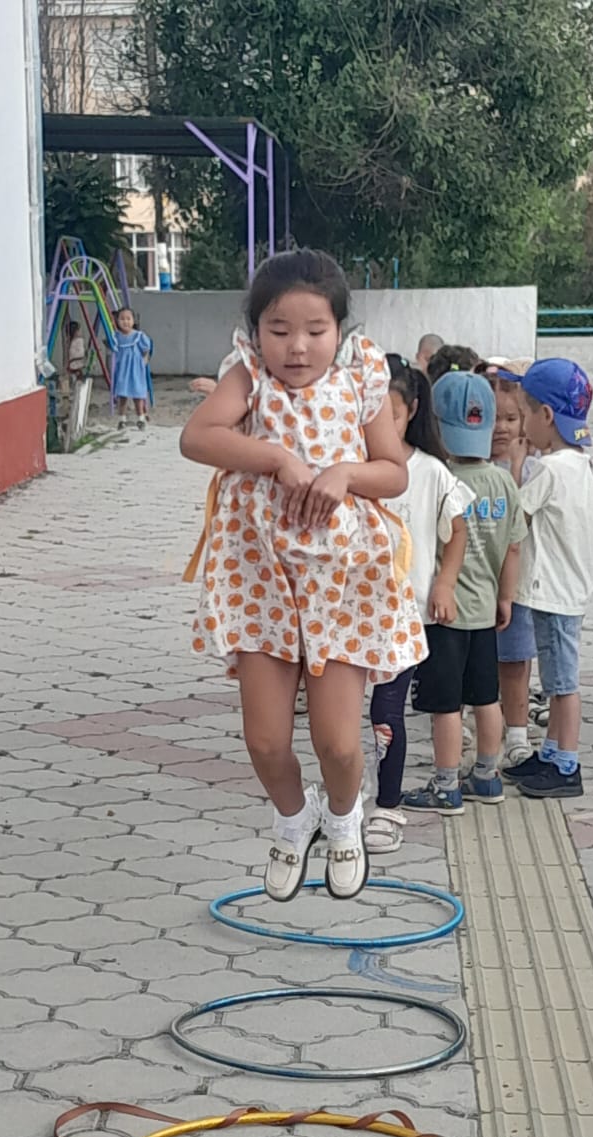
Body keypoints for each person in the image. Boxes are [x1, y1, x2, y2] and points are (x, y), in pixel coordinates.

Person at [180, 248, 419, 901]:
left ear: (339, 329)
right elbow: (197, 437)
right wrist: (275, 458)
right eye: (279, 329)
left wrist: (344, 474)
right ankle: (294, 818)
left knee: (337, 743)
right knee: (264, 740)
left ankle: (343, 818)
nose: (297, 346)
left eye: (316, 329)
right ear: (256, 329)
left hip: (342, 580)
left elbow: (393, 472)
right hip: (258, 577)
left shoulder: (361, 376)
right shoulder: (248, 374)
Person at [402, 370, 524, 815]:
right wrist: (506, 598)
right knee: (486, 698)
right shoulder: (504, 482)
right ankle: (487, 776)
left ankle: (446, 784)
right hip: (487, 611)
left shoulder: (440, 477)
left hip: (444, 613)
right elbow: (514, 548)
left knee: (446, 706)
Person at [366, 356, 470, 854]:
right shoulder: (347, 465)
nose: (377, 426)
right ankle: (341, 804)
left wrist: (445, 584)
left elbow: (458, 530)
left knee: (386, 709)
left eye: (389, 414)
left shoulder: (430, 472)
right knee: (337, 717)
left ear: (411, 410)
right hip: (345, 614)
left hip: (402, 615)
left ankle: (387, 806)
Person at [501, 360, 593, 799]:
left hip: (553, 592)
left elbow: (515, 518)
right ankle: (551, 751)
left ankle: (567, 764)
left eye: (524, 413)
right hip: (569, 589)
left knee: (562, 685)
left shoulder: (547, 470)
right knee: (557, 681)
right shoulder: (581, 465)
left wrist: (517, 464)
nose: (521, 425)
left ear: (545, 415)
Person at [489, 376, 540, 769]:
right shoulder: (468, 468)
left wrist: (519, 467)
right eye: (492, 417)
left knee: (515, 661)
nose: (501, 427)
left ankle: (518, 734)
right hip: (475, 585)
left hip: (518, 584)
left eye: (510, 418)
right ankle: (473, 727)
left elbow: (521, 520)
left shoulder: (535, 470)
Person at [112, 307, 153, 429]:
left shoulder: (139, 336)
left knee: (138, 395)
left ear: (133, 320)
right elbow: (112, 348)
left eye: (128, 318)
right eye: (122, 319)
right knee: (122, 395)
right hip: (122, 370)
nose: (125, 321)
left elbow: (146, 350)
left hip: (136, 369)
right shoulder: (116, 336)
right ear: (117, 321)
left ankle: (140, 418)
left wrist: (144, 361)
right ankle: (122, 419)